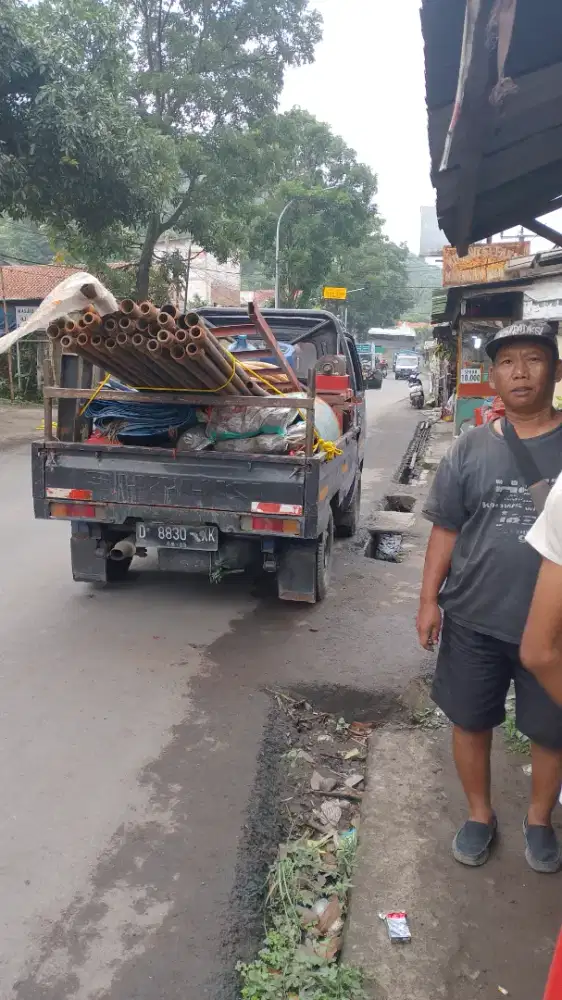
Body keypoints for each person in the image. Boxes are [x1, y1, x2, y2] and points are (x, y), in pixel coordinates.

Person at [417, 320, 562, 872]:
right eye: (507, 362)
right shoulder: (470, 448)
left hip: (552, 628)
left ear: (555, 369)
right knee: (469, 720)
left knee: (552, 730)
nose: (520, 372)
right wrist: (429, 600)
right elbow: (446, 529)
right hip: (475, 617)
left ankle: (540, 820)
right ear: (492, 376)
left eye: (533, 359)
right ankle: (480, 814)